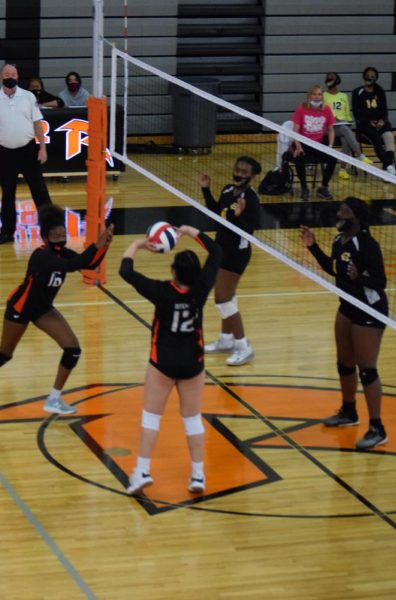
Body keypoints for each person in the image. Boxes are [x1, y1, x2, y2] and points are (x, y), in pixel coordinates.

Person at [0, 204, 113, 414]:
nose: (60, 239)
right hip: (20, 308)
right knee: (5, 353)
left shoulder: (63, 252)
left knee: (72, 350)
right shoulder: (41, 256)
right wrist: (96, 245)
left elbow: (88, 264)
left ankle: (54, 399)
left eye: (62, 234)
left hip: (43, 309)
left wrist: (104, 245)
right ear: (46, 237)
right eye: (56, 236)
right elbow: (72, 266)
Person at [119, 225, 222, 495]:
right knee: (192, 420)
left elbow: (125, 271)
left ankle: (142, 471)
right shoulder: (201, 289)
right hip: (192, 365)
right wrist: (190, 231)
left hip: (162, 363)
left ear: (173, 272)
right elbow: (217, 251)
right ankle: (198, 476)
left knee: (151, 418)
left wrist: (140, 245)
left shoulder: (161, 291)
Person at [300, 197, 388, 450]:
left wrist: (359, 277)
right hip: (347, 306)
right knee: (344, 364)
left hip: (368, 310)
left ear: (356, 217)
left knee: (367, 370)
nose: (339, 214)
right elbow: (333, 268)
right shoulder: (339, 241)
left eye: (344, 211)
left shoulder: (368, 244)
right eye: (340, 210)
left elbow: (380, 282)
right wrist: (313, 248)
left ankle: (377, 428)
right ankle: (349, 412)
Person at [0, 64, 52, 245]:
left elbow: (37, 124)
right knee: (7, 195)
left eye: (13, 74)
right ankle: (7, 232)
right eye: (6, 74)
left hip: (29, 151)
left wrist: (42, 148)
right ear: (0, 77)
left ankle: (51, 230)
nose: (10, 76)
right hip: (6, 155)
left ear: (17, 77)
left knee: (40, 192)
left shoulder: (28, 97)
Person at [200, 156, 262, 366]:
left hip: (237, 252)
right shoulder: (228, 190)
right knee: (226, 296)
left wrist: (237, 216)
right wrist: (206, 189)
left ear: (252, 175)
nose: (239, 174)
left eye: (245, 172)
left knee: (222, 299)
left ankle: (244, 347)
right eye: (238, 170)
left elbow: (248, 231)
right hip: (221, 248)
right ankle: (226, 340)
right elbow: (216, 213)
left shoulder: (251, 199)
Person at [291, 84, 337, 201]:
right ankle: (304, 187)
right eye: (314, 94)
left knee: (333, 159)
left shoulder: (326, 109)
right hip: (303, 143)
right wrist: (298, 146)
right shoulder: (301, 108)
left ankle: (323, 187)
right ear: (309, 96)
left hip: (318, 144)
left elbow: (331, 129)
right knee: (298, 158)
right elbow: (295, 131)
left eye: (319, 94)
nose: (317, 97)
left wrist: (330, 146)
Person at [323, 72, 373, 179]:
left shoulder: (343, 96)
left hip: (342, 126)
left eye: (332, 78)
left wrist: (346, 120)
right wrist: (332, 119)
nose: (329, 80)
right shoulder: (323, 95)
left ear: (337, 81)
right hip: (328, 128)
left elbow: (347, 115)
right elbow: (321, 114)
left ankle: (342, 170)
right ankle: (359, 155)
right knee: (346, 132)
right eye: (328, 78)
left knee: (346, 138)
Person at [352, 67, 396, 175]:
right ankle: (389, 167)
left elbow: (384, 110)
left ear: (376, 78)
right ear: (364, 77)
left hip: (381, 123)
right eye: (367, 76)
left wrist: (382, 121)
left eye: (372, 76)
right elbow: (356, 113)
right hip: (365, 125)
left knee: (389, 137)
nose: (369, 78)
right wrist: (368, 122)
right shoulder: (357, 92)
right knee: (376, 139)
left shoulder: (380, 91)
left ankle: (387, 166)